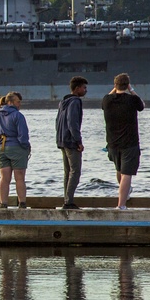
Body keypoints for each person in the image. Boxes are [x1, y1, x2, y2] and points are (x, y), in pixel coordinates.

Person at [101, 73, 145, 210]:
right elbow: (142, 105)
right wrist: (131, 90)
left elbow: (106, 99)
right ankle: (121, 205)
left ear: (115, 85)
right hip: (129, 143)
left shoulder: (107, 101)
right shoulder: (132, 100)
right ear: (127, 85)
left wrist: (115, 89)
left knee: (119, 170)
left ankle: (125, 194)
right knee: (127, 174)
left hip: (113, 144)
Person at [0, 91, 30, 208]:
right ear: (10, 102)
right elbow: (23, 135)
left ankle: (3, 204)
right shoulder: (18, 115)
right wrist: (26, 148)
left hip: (1, 147)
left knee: (4, 178)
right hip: (17, 147)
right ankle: (22, 204)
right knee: (19, 177)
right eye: (18, 102)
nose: (19, 104)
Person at [55, 76, 88, 210]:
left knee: (67, 172)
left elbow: (57, 122)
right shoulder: (75, 102)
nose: (86, 90)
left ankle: (67, 199)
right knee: (75, 171)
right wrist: (78, 141)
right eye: (84, 88)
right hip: (70, 141)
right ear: (77, 88)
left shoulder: (63, 101)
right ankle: (68, 202)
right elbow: (72, 122)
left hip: (62, 140)